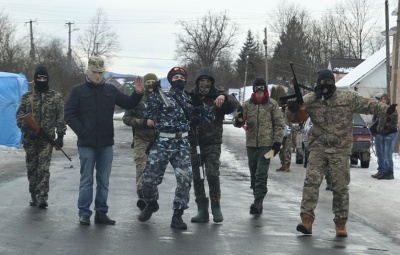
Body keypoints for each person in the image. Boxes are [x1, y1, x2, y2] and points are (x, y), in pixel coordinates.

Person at [286, 69, 397, 237]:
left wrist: (386, 110)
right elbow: (295, 117)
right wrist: (292, 109)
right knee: (311, 182)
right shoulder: (311, 99)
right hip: (318, 148)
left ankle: (340, 223)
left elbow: (367, 104)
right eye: (322, 83)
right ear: (318, 83)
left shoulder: (347, 98)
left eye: (329, 83)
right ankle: (306, 219)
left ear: (333, 84)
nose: (325, 87)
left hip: (340, 150)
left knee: (340, 187)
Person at [64, 56, 144, 225]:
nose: (98, 76)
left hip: (106, 143)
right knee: (86, 179)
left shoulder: (110, 90)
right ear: (88, 71)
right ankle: (84, 212)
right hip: (87, 144)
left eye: (101, 72)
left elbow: (128, 103)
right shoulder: (78, 91)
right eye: (95, 72)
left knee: (104, 179)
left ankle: (101, 212)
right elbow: (69, 114)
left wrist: (137, 93)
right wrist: (81, 131)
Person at [138, 66, 214, 230]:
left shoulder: (189, 99)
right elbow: (147, 112)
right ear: (170, 80)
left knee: (185, 181)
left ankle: (178, 215)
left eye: (181, 77)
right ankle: (151, 203)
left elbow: (209, 117)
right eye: (175, 77)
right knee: (148, 179)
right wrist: (153, 93)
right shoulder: (161, 96)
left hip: (182, 143)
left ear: (185, 81)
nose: (179, 80)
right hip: (162, 141)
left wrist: (200, 106)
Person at [188, 67, 239, 223]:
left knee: (212, 174)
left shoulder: (218, 96)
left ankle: (216, 206)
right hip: (195, 142)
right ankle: (202, 209)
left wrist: (224, 97)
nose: (205, 84)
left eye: (207, 81)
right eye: (202, 81)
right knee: (197, 177)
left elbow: (234, 104)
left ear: (212, 82)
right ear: (197, 82)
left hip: (213, 143)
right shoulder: (191, 97)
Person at [16, 66, 67, 209]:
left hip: (47, 139)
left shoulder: (55, 96)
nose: (42, 80)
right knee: (32, 168)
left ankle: (42, 197)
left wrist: (61, 135)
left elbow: (60, 118)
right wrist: (27, 129)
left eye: (44, 78)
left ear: (48, 79)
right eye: (39, 78)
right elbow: (20, 117)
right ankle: (34, 194)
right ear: (35, 79)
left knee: (43, 168)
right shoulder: (27, 97)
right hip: (30, 140)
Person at [233, 77, 285, 215]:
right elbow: (237, 123)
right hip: (251, 145)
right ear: (254, 91)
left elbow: (279, 124)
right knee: (253, 173)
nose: (260, 92)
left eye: (262, 89)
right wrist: (238, 117)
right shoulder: (247, 105)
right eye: (257, 90)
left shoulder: (272, 105)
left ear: (265, 90)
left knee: (261, 173)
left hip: (267, 145)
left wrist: (277, 142)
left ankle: (258, 201)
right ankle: (257, 197)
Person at [122, 73, 158, 210]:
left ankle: (151, 196)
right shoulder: (137, 99)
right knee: (142, 167)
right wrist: (142, 122)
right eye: (147, 81)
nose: (150, 84)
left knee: (153, 171)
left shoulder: (162, 99)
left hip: (157, 140)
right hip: (141, 139)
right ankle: (142, 196)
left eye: (152, 81)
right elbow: (126, 118)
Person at [370, 93, 398, 180]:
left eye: (384, 99)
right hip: (382, 134)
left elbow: (394, 121)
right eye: (381, 99)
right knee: (382, 154)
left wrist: (385, 127)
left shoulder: (391, 109)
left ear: (387, 100)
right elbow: (376, 121)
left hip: (390, 134)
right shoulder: (380, 110)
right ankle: (383, 172)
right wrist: (375, 129)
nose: (383, 100)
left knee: (387, 154)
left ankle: (389, 173)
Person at [276, 107, 292, 172]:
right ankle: (283, 164)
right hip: (280, 132)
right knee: (281, 149)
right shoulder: (278, 110)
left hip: (288, 132)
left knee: (287, 149)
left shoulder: (289, 111)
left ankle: (287, 165)